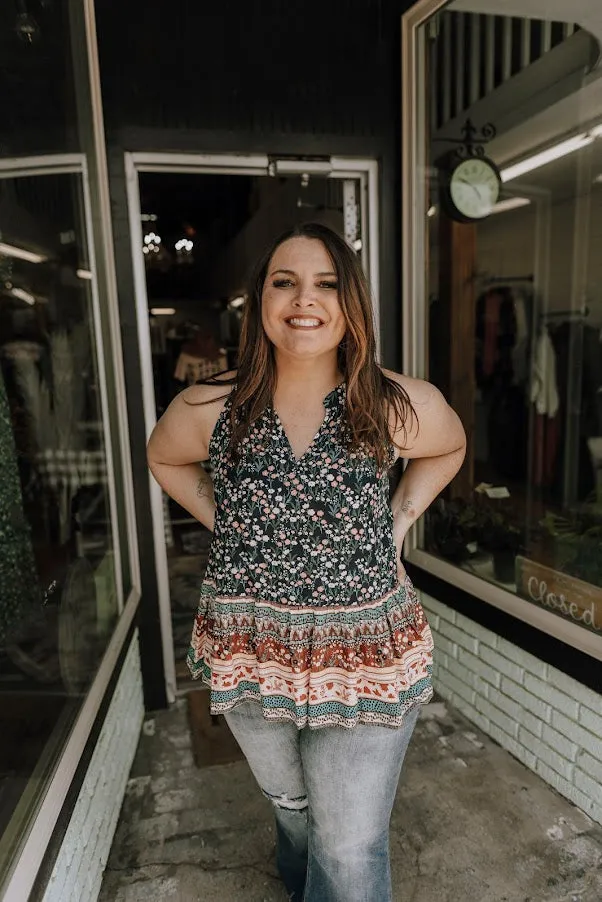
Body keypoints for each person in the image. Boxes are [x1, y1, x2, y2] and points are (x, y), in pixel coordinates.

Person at [147, 222, 466, 902]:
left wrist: (396, 523)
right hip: (249, 648)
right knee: (295, 812)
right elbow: (163, 457)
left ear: (351, 303)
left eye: (326, 283)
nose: (304, 300)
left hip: (364, 654)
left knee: (349, 846)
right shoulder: (211, 407)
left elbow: (450, 446)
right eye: (284, 282)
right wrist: (227, 521)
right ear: (259, 299)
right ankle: (297, 875)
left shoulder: (391, 404)